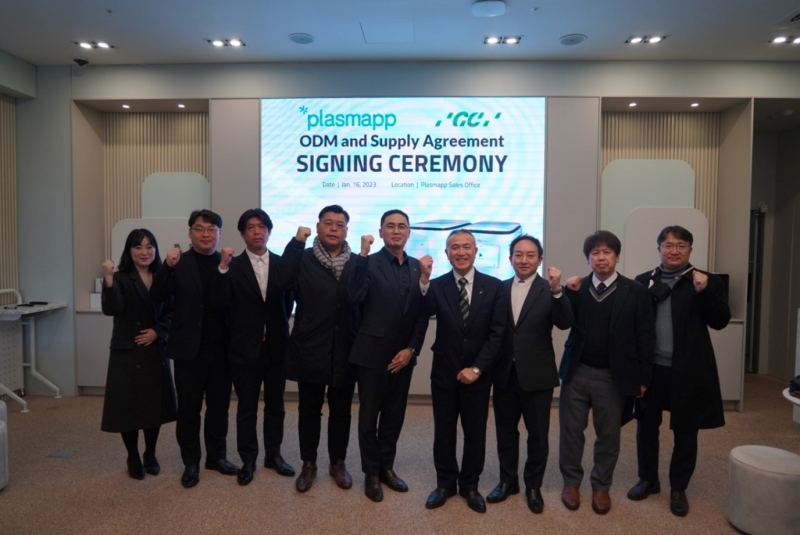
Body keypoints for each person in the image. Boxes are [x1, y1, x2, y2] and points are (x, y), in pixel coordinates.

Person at [627, 225, 730, 517]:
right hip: (652, 370)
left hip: (688, 370)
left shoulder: (705, 281)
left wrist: (703, 292)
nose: (674, 251)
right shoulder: (643, 281)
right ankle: (648, 479)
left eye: (681, 246)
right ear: (659, 248)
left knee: (686, 430)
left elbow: (720, 321)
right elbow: (634, 327)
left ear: (690, 250)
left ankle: (678, 488)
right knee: (646, 427)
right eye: (668, 245)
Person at [558, 230, 655, 515]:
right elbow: (563, 321)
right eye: (595, 253)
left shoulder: (635, 291)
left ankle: (601, 486)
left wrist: (643, 378)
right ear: (588, 259)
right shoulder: (577, 288)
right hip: (577, 371)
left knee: (609, 434)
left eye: (607, 252)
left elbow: (645, 336)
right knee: (571, 431)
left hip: (614, 375)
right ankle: (571, 482)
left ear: (617, 257)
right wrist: (564, 292)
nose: (601, 258)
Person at [212, 209, 310, 485]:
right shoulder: (231, 266)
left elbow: (288, 302)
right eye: (250, 227)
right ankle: (248, 459)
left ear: (269, 231)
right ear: (242, 234)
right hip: (244, 348)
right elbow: (220, 303)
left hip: (277, 346)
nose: (257, 231)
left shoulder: (282, 264)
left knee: (276, 405)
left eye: (262, 227)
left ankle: (273, 455)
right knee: (246, 408)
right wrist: (222, 269)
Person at [348, 209, 432, 502]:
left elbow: (422, 315)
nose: (396, 231)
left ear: (409, 233)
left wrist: (411, 350)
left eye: (402, 226)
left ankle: (386, 467)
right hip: (371, 355)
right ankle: (371, 473)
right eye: (390, 226)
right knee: (369, 418)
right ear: (381, 232)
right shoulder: (366, 262)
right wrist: (361, 255)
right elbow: (354, 296)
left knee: (394, 417)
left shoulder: (417, 267)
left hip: (404, 357)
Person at [150, 209, 239, 488]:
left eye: (212, 229)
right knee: (189, 410)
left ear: (220, 234)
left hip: (221, 350)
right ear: (190, 233)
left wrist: (224, 268)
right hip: (188, 350)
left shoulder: (228, 263)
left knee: (219, 409)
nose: (205, 234)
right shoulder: (178, 262)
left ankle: (217, 457)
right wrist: (167, 266)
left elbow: (228, 303)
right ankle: (191, 462)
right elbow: (157, 296)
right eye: (199, 229)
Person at [487, 235, 573, 513]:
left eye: (530, 255)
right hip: (504, 374)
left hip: (537, 375)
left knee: (537, 436)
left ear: (540, 259)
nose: (524, 260)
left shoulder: (550, 289)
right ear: (510, 258)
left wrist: (558, 290)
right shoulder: (498, 288)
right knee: (505, 433)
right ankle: (508, 481)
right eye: (519, 254)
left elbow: (565, 322)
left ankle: (533, 486)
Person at [423, 229, 506, 514]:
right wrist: (423, 281)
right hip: (444, 373)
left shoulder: (494, 287)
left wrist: (477, 368)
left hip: (478, 375)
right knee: (444, 431)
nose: (461, 252)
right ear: (446, 253)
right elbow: (421, 312)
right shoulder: (436, 286)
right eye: (455, 247)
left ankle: (470, 485)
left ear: (476, 251)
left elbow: (497, 333)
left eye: (466, 247)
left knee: (475, 432)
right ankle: (445, 484)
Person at [284, 205, 359, 493]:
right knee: (309, 410)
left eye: (340, 224)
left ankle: (337, 463)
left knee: (341, 410)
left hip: (345, 348)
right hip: (311, 346)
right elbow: (283, 281)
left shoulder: (357, 262)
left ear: (346, 231)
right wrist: (296, 243)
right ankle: (309, 463)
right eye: (328, 223)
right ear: (318, 227)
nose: (333, 228)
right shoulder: (302, 258)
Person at [100, 228, 177, 480]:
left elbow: (173, 310)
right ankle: (133, 456)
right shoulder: (121, 277)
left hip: (154, 348)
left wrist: (157, 331)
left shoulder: (163, 275)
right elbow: (113, 308)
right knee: (129, 408)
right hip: (128, 351)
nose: (144, 252)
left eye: (149, 246)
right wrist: (108, 279)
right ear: (129, 250)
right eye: (138, 246)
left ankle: (150, 453)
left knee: (153, 407)